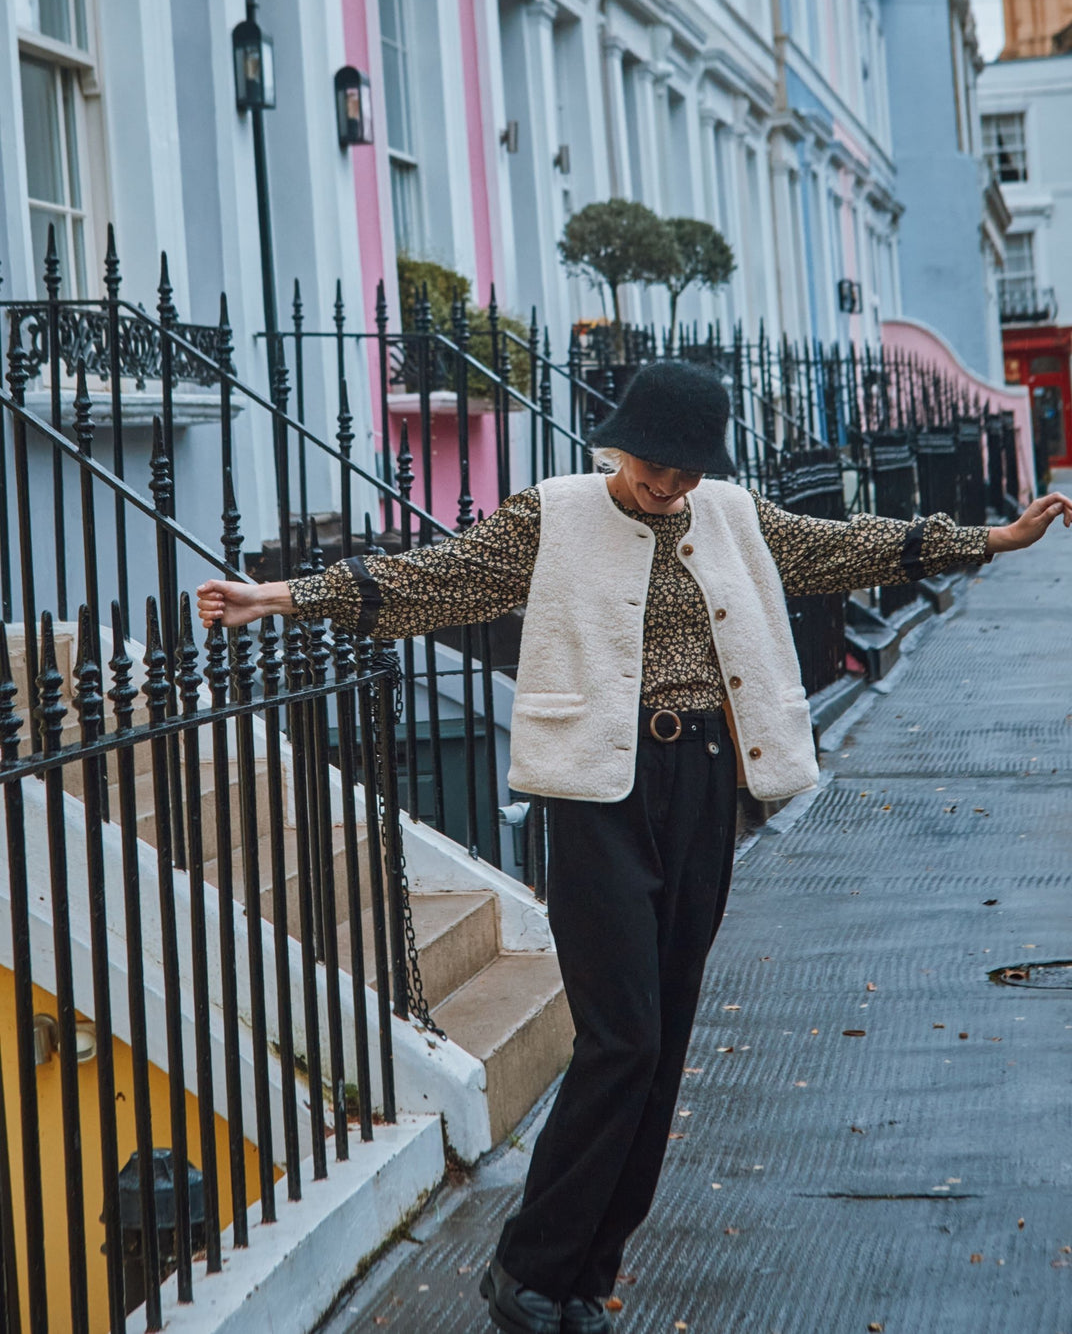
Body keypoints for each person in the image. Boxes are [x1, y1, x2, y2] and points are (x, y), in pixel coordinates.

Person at [197, 361, 1072, 1334]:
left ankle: (582, 1277)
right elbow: (434, 580)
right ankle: (528, 1268)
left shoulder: (730, 514)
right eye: (656, 464)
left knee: (665, 1039)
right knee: (624, 1038)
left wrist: (987, 538)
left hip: (703, 782)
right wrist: (281, 597)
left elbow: (835, 548)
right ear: (618, 445)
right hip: (598, 794)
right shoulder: (553, 514)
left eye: (687, 470)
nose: (669, 484)